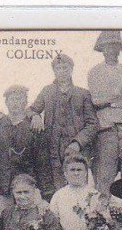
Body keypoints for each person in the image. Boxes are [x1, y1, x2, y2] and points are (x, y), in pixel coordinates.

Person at [27, 53, 99, 198]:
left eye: (65, 67)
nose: (62, 71)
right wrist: (35, 115)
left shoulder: (83, 94)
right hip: (52, 151)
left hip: (76, 151)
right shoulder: (47, 91)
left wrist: (78, 143)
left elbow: (93, 124)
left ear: (71, 69)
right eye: (58, 68)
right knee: (57, 192)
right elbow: (30, 109)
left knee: (79, 191)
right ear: (54, 70)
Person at [87, 31, 122, 198]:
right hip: (107, 129)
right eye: (108, 47)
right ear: (102, 50)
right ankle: (102, 219)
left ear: (120, 49)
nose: (111, 50)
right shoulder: (95, 72)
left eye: (115, 47)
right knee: (104, 178)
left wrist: (111, 101)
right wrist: (121, 95)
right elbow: (97, 100)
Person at [0, 84, 41, 214]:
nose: (15, 103)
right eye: (12, 99)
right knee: (3, 223)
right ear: (6, 102)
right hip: (1, 185)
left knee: (29, 224)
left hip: (26, 185)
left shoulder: (33, 126)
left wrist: (41, 187)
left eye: (19, 99)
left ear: (25, 102)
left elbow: (41, 159)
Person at [49, 154, 102, 230]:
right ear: (65, 173)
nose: (76, 173)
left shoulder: (94, 194)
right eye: (72, 170)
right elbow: (53, 222)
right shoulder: (59, 195)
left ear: (85, 173)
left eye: (79, 170)